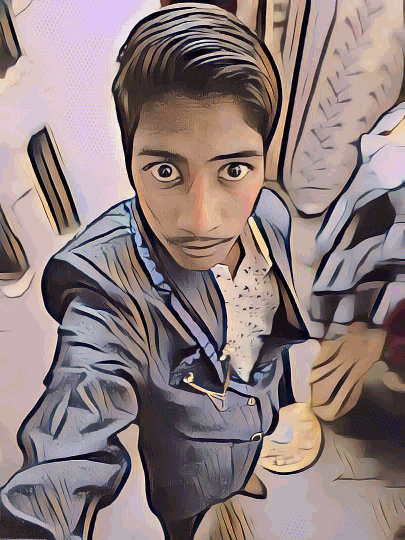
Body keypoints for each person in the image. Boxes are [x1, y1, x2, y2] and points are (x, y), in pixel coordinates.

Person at [0, 4, 323, 540]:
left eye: (234, 169)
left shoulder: (271, 215)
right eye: (166, 170)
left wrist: (283, 403)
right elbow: (66, 451)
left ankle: (243, 469)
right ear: (131, 161)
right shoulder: (106, 289)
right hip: (186, 478)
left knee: (242, 462)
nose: (201, 220)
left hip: (254, 427)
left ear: (264, 160)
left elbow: (271, 331)